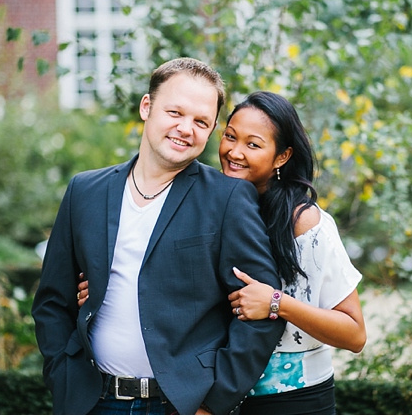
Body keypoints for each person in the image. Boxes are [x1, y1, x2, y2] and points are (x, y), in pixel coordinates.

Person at [79, 91, 367, 414]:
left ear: (282, 157)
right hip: (218, 397)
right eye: (230, 137)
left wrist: (277, 303)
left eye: (253, 145)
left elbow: (354, 334)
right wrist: (107, 292)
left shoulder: (305, 223)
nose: (235, 152)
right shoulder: (208, 204)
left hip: (292, 399)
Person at [32, 59, 286, 415]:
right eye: (175, 112)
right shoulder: (84, 191)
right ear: (146, 107)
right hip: (92, 401)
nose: (186, 128)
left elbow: (261, 314)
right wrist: (63, 376)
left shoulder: (227, 199)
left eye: (200, 121)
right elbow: (52, 302)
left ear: (212, 128)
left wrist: (212, 405)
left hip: (179, 405)